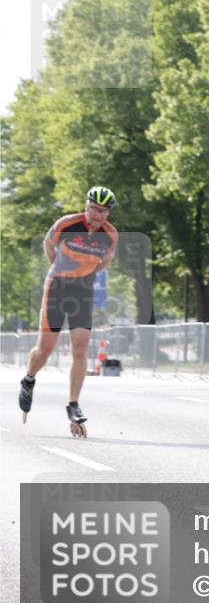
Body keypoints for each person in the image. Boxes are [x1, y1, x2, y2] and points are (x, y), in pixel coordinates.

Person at [18, 186, 119, 437]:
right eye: (95, 209)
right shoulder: (67, 224)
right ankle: (29, 378)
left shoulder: (110, 234)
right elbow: (48, 244)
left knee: (81, 346)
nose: (98, 215)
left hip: (83, 290)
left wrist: (87, 273)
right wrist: (58, 266)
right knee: (45, 349)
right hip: (56, 287)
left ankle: (73, 404)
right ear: (87, 206)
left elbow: (106, 260)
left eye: (103, 211)